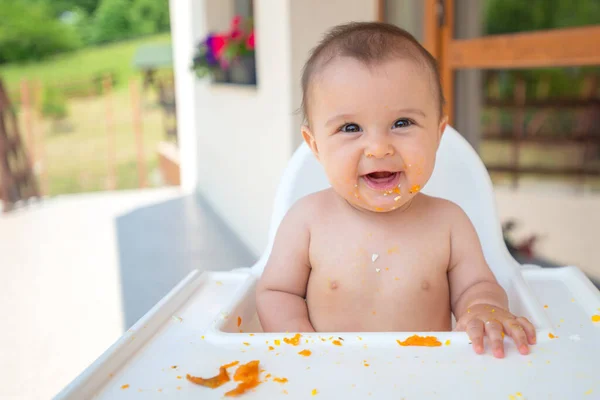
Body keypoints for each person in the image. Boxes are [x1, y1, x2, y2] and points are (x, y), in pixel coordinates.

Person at [255, 22, 536, 359]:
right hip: (331, 379)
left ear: (437, 134)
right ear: (315, 146)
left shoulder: (448, 222)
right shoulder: (307, 221)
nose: (378, 148)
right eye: (350, 127)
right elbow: (275, 292)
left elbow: (478, 286)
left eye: (402, 123)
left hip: (429, 377)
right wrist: (300, 344)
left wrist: (483, 308)